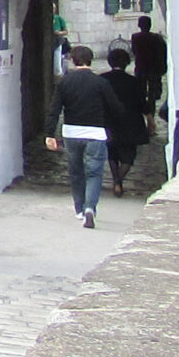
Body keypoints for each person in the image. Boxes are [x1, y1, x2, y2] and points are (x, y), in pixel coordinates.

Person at [48, 45, 123, 227]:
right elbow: (116, 109)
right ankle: (90, 208)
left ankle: (79, 209)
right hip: (95, 133)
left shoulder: (64, 82)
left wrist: (50, 134)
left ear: (73, 61)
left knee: (76, 172)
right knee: (94, 172)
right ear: (91, 60)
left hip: (71, 133)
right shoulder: (101, 83)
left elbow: (54, 110)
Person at [102, 46, 150, 198]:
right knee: (129, 156)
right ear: (127, 63)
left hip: (109, 120)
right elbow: (142, 102)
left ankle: (116, 180)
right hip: (131, 121)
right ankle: (118, 180)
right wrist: (150, 117)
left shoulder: (103, 79)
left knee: (112, 152)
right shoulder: (135, 81)